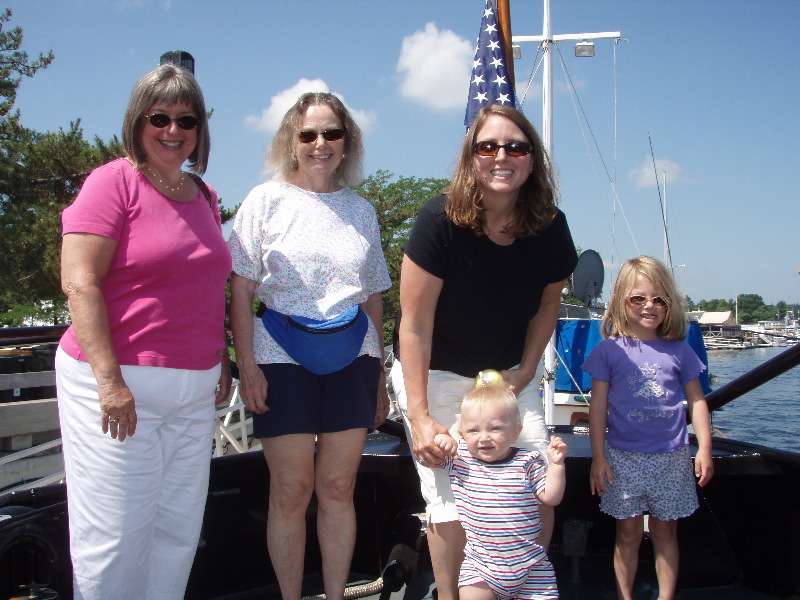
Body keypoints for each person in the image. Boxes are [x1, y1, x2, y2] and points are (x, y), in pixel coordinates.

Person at [56, 64, 231, 600]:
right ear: (138, 122)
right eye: (159, 117)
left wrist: (221, 357)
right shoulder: (114, 181)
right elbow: (79, 281)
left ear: (200, 128)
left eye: (186, 118)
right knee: (113, 536)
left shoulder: (204, 195)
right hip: (118, 387)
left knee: (177, 531)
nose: (172, 130)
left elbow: (204, 285)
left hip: (193, 390)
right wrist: (110, 382)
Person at [390, 104, 579, 600]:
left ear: (532, 161)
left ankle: (519, 588)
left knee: (536, 487)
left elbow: (547, 305)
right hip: (437, 373)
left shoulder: (551, 226)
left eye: (515, 147)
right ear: (471, 157)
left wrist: (528, 371)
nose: (501, 156)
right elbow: (413, 324)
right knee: (449, 501)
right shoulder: (440, 219)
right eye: (488, 146)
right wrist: (422, 416)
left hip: (509, 375)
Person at [227, 92, 391, 600]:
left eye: (332, 133)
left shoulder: (362, 211)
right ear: (292, 141)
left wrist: (381, 377)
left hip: (354, 359)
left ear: (347, 142)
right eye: (309, 134)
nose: (320, 144)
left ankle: (337, 595)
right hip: (280, 356)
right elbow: (241, 289)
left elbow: (374, 298)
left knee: (339, 489)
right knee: (292, 491)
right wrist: (246, 365)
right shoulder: (264, 200)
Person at [581, 256, 714, 600]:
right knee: (626, 534)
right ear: (621, 301)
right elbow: (597, 407)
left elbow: (697, 402)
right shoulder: (609, 351)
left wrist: (705, 450)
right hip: (622, 459)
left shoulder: (680, 351)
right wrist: (599, 457)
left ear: (669, 304)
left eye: (659, 299)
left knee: (665, 532)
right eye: (638, 298)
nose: (649, 306)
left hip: (672, 459)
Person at [431, 383, 567, 600]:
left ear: (515, 432)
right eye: (474, 430)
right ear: (462, 434)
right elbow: (430, 455)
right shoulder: (460, 460)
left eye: (495, 428)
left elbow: (551, 497)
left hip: (531, 567)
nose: (484, 437)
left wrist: (556, 466)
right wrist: (442, 441)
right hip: (480, 568)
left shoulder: (528, 462)